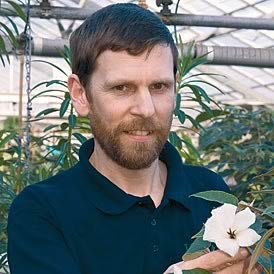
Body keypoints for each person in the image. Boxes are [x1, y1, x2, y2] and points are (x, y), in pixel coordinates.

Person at [7, 3, 258, 274]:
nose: (146, 109)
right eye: (122, 88)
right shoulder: (43, 212)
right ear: (80, 94)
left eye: (159, 86)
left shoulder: (209, 191)